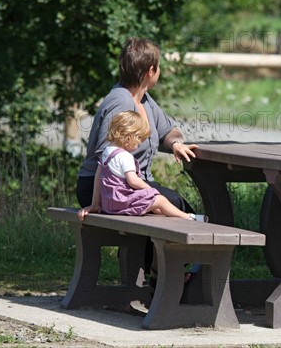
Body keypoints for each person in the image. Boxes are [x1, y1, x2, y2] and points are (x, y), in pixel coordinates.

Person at [76, 37, 199, 284]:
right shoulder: (120, 101)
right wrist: (135, 189)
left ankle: (163, 274)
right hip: (103, 186)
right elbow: (105, 157)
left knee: (177, 204)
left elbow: (168, 131)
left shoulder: (143, 100)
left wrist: (175, 144)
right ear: (150, 71)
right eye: (159, 67)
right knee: (175, 205)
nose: (159, 72)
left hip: (128, 184)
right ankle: (165, 277)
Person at [77, 111, 207, 222]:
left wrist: (96, 203)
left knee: (155, 206)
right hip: (122, 203)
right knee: (160, 199)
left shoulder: (107, 151)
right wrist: (150, 189)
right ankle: (189, 217)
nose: (139, 144)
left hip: (109, 203)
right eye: (139, 139)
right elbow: (133, 181)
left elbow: (99, 176)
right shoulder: (124, 157)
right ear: (128, 137)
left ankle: (175, 218)